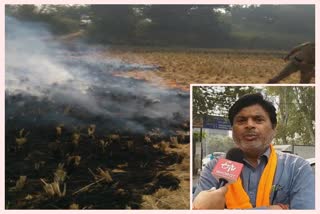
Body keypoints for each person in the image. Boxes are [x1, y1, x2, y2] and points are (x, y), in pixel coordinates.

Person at [193, 93, 315, 209]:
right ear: (232, 129)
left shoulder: (297, 168)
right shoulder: (213, 168)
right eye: (241, 120)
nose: (249, 125)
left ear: (274, 129)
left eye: (258, 119)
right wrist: (270, 210)